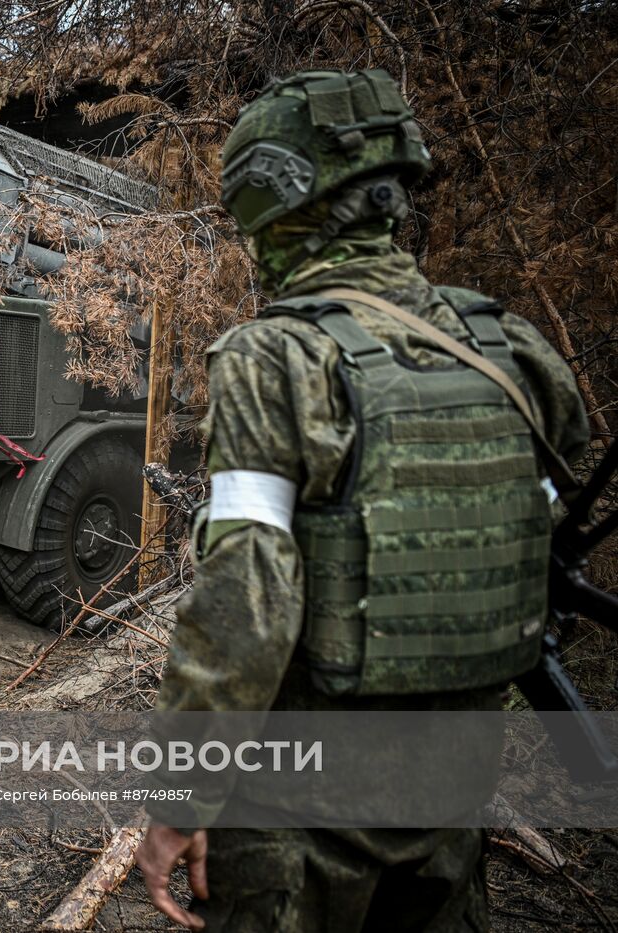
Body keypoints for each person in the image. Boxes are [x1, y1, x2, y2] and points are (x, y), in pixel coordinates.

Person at [135, 68, 590, 931]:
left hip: (301, 814)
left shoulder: (275, 359)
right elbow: (549, 493)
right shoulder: (509, 346)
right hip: (452, 796)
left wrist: (179, 796)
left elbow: (247, 600)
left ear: (270, 204)